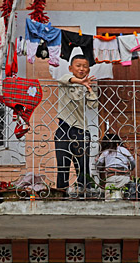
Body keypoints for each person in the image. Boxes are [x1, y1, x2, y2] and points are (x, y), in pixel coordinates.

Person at [55, 54, 98, 190]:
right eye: (78, 66)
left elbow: (93, 105)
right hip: (63, 128)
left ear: (88, 70)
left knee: (83, 166)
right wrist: (80, 82)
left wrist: (89, 88)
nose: (81, 69)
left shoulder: (89, 86)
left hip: (81, 129)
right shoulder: (65, 81)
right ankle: (62, 193)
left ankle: (84, 192)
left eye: (85, 67)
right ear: (71, 68)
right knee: (62, 165)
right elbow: (63, 79)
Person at [96, 133, 136, 199]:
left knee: (110, 197)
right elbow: (133, 163)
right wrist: (129, 168)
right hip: (124, 178)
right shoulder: (123, 150)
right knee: (124, 197)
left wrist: (97, 161)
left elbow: (98, 166)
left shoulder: (106, 152)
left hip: (111, 178)